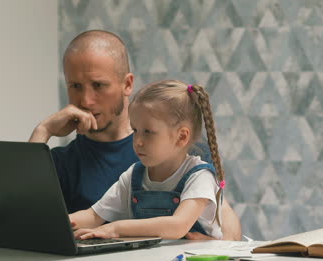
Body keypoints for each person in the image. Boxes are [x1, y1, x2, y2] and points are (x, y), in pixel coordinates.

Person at [29, 30, 241, 240]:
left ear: (127, 84)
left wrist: (218, 248)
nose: (86, 101)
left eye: (98, 85)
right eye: (75, 86)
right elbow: (36, 219)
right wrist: (43, 131)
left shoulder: (191, 159)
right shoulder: (127, 173)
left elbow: (219, 224)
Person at [70, 80, 224, 240]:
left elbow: (178, 226)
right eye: (135, 130)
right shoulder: (134, 176)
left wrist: (115, 228)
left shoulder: (201, 176)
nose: (137, 141)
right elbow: (93, 216)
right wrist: (59, 223)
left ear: (181, 137)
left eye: (148, 132)